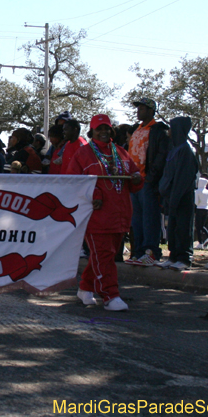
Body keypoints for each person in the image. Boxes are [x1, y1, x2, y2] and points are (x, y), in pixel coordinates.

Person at [67, 114, 143, 310]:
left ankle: (85, 288)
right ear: (91, 131)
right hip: (96, 216)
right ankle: (110, 295)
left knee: (104, 256)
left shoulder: (121, 152)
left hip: (120, 214)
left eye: (107, 128)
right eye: (99, 129)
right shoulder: (83, 154)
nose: (103, 132)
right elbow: (73, 184)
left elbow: (134, 177)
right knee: (103, 255)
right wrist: (94, 192)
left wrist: (136, 178)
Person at [125, 97, 170, 266]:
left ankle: (151, 252)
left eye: (142, 109)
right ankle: (138, 252)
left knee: (150, 218)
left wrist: (151, 177)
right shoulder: (137, 129)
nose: (138, 111)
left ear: (151, 111)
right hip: (134, 182)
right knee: (137, 220)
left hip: (147, 181)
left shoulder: (158, 130)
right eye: (138, 108)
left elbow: (161, 155)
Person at [158, 117, 198, 270]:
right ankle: (173, 256)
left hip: (182, 197)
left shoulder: (185, 151)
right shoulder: (174, 149)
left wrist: (174, 197)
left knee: (183, 227)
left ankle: (184, 258)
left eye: (171, 128)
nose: (169, 131)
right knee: (173, 228)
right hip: (171, 197)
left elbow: (183, 178)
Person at [193, 174, 208, 250]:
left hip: (199, 209)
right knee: (203, 225)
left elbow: (196, 202)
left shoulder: (197, 191)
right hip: (206, 209)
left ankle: (201, 242)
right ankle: (207, 237)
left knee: (198, 226)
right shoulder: (207, 192)